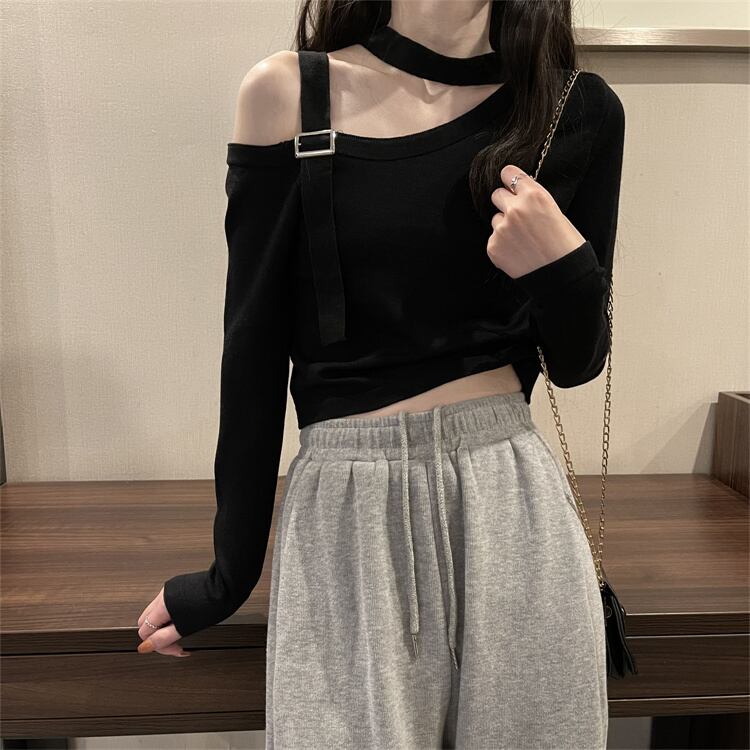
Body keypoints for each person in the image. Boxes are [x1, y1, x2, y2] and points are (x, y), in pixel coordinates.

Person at [137, 0, 625, 747]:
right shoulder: (290, 95)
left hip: (512, 506)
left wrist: (564, 268)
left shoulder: (573, 108)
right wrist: (226, 577)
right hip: (347, 515)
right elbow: (253, 351)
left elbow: (577, 362)